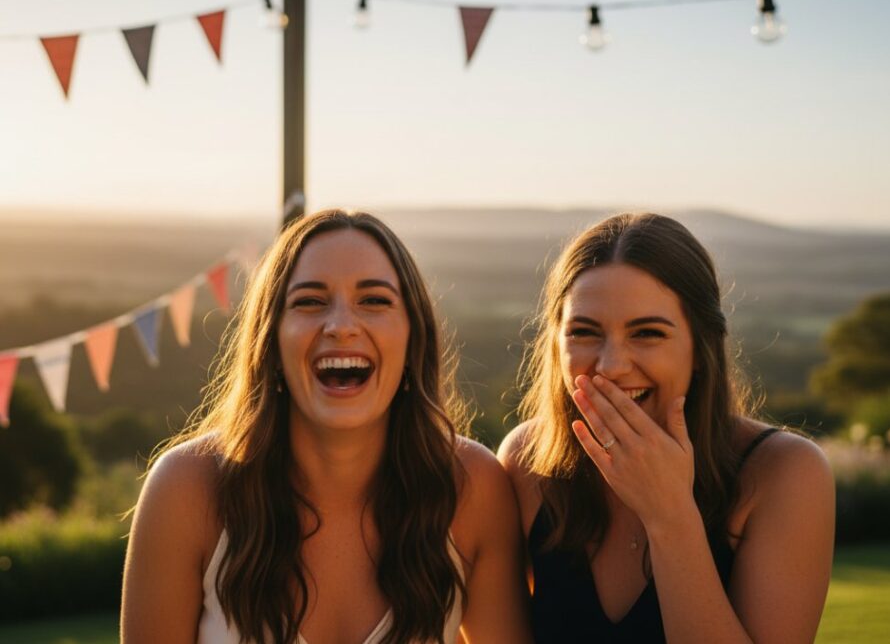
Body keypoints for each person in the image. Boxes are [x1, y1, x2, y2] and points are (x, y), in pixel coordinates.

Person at [122, 209, 531, 644]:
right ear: (271, 342)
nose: (340, 326)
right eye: (310, 302)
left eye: (374, 301)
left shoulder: (472, 488)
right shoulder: (187, 488)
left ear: (414, 339)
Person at [498, 212, 835, 643]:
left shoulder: (785, 473)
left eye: (647, 333)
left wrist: (670, 516)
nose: (611, 367)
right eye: (584, 332)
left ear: (701, 347)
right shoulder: (527, 462)